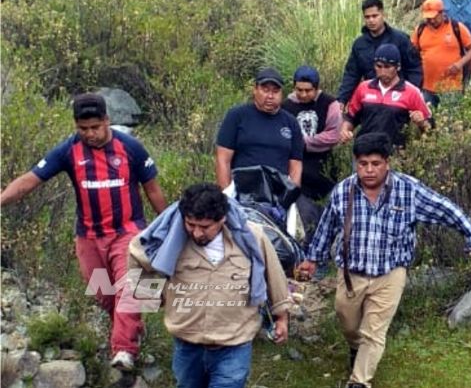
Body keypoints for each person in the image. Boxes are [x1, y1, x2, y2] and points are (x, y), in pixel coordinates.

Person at [297, 132, 471, 388]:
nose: (369, 170)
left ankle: (359, 381)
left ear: (387, 162)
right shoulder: (343, 191)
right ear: (355, 162)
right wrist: (312, 259)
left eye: (375, 164)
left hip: (390, 272)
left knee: (374, 333)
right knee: (347, 321)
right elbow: (326, 228)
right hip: (351, 273)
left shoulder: (408, 189)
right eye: (363, 164)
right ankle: (356, 348)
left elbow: (443, 208)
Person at [0, 93, 168, 370]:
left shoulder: (132, 148)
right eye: (83, 128)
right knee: (104, 294)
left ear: (107, 120)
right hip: (89, 237)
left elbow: (153, 191)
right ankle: (133, 331)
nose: (89, 134)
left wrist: (171, 227)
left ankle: (124, 350)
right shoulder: (69, 150)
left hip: (127, 231)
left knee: (129, 287)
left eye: (95, 127)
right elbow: (30, 180)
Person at [128, 183, 291, 388]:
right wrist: (155, 297)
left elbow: (273, 274)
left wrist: (281, 317)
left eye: (204, 227)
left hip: (234, 344)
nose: (196, 233)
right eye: (190, 224)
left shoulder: (251, 237)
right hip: (187, 344)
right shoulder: (170, 238)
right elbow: (136, 254)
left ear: (221, 219)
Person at [215, 67, 304, 189]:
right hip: (242, 191)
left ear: (281, 93)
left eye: (275, 91)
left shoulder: (291, 122)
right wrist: (226, 197)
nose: (270, 96)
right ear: (255, 90)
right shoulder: (237, 116)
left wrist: (291, 196)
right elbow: (223, 159)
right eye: (265, 90)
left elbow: (296, 165)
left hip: (278, 193)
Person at [282, 65, 342, 237]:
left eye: (308, 90)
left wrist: (302, 142)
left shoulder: (330, 104)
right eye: (299, 90)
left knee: (329, 215)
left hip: (325, 170)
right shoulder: (286, 106)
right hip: (298, 171)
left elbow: (333, 135)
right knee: (305, 217)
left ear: (316, 88)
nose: (303, 94)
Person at [340, 44, 432, 147]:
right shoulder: (364, 87)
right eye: (379, 66)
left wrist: (421, 122)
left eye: (388, 67)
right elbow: (351, 117)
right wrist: (345, 130)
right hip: (364, 152)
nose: (383, 71)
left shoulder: (411, 92)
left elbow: (430, 127)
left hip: (395, 154)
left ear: (398, 67)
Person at [337, 0, 423, 105]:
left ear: (383, 14)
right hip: (371, 98)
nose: (371, 20)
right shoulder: (359, 44)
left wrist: (410, 95)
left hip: (398, 98)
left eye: (374, 16)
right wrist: (342, 100)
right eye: (367, 17)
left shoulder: (400, 39)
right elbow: (351, 74)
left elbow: (414, 69)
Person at [411, 0, 471, 108]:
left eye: (434, 17)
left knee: (451, 121)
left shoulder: (456, 27)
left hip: (451, 86)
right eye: (428, 18)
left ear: (442, 13)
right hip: (427, 87)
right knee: (428, 120)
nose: (431, 21)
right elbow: (412, 52)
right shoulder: (420, 30)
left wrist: (459, 64)